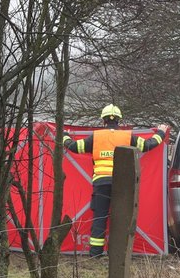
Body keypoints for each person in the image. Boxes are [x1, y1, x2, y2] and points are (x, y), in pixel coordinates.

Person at [63, 104, 169, 258]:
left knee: (100, 217)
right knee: (121, 218)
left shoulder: (96, 137)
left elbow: (74, 147)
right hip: (122, 184)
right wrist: (161, 132)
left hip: (101, 183)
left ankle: (95, 254)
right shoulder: (127, 136)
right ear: (119, 120)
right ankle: (119, 253)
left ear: (103, 120)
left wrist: (65, 135)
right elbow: (147, 145)